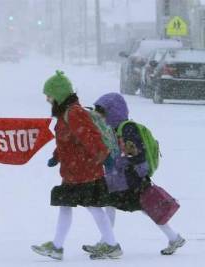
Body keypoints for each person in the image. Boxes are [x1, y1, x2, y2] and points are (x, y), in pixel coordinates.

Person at [31, 71, 122, 260]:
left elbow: (90, 137)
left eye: (49, 95)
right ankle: (57, 247)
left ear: (59, 94)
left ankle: (112, 245)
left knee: (93, 207)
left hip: (85, 170)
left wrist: (104, 157)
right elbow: (68, 141)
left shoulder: (74, 113)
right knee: (67, 205)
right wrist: (56, 156)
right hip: (74, 170)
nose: (48, 99)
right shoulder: (66, 113)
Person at [82, 92, 185, 256]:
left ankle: (173, 237)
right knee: (113, 204)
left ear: (112, 111)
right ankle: (106, 242)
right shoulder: (113, 129)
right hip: (122, 177)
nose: (99, 115)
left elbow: (138, 154)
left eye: (101, 111)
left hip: (133, 179)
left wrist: (123, 162)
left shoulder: (127, 128)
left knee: (148, 207)